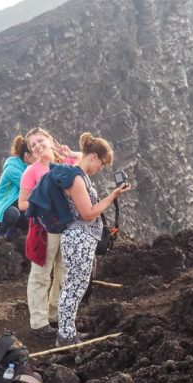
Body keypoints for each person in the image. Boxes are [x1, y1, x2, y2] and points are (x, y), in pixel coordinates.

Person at [56, 132, 130, 346]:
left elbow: (85, 153)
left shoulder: (78, 171)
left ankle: (68, 330)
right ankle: (66, 336)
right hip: (79, 238)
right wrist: (112, 196)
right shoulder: (77, 179)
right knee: (74, 285)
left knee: (75, 284)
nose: (101, 169)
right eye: (102, 164)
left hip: (80, 238)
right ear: (94, 157)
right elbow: (88, 213)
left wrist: (74, 151)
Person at [18, 127, 63, 339]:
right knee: (41, 274)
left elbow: (87, 165)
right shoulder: (32, 172)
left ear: (50, 140)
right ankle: (39, 321)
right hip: (44, 229)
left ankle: (55, 314)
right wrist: (44, 202)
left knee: (63, 271)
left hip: (69, 226)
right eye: (32, 145)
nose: (37, 146)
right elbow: (22, 204)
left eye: (39, 141)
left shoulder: (67, 163)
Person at [0, 135, 34, 237]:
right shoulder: (13, 169)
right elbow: (30, 189)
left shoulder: (25, 167)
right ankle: (1, 230)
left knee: (29, 221)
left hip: (17, 206)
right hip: (5, 208)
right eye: (33, 154)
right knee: (13, 214)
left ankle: (13, 230)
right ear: (27, 155)